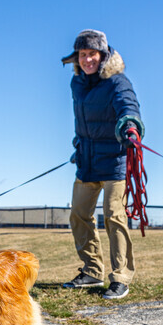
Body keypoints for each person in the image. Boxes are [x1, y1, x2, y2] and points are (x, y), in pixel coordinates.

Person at [60, 29, 144, 300]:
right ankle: (92, 270)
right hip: (87, 162)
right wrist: (79, 146)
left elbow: (128, 107)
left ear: (103, 55)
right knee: (78, 214)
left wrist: (129, 127)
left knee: (113, 216)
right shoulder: (77, 84)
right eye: (83, 55)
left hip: (115, 162)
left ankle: (120, 277)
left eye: (92, 54)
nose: (87, 60)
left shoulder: (117, 82)